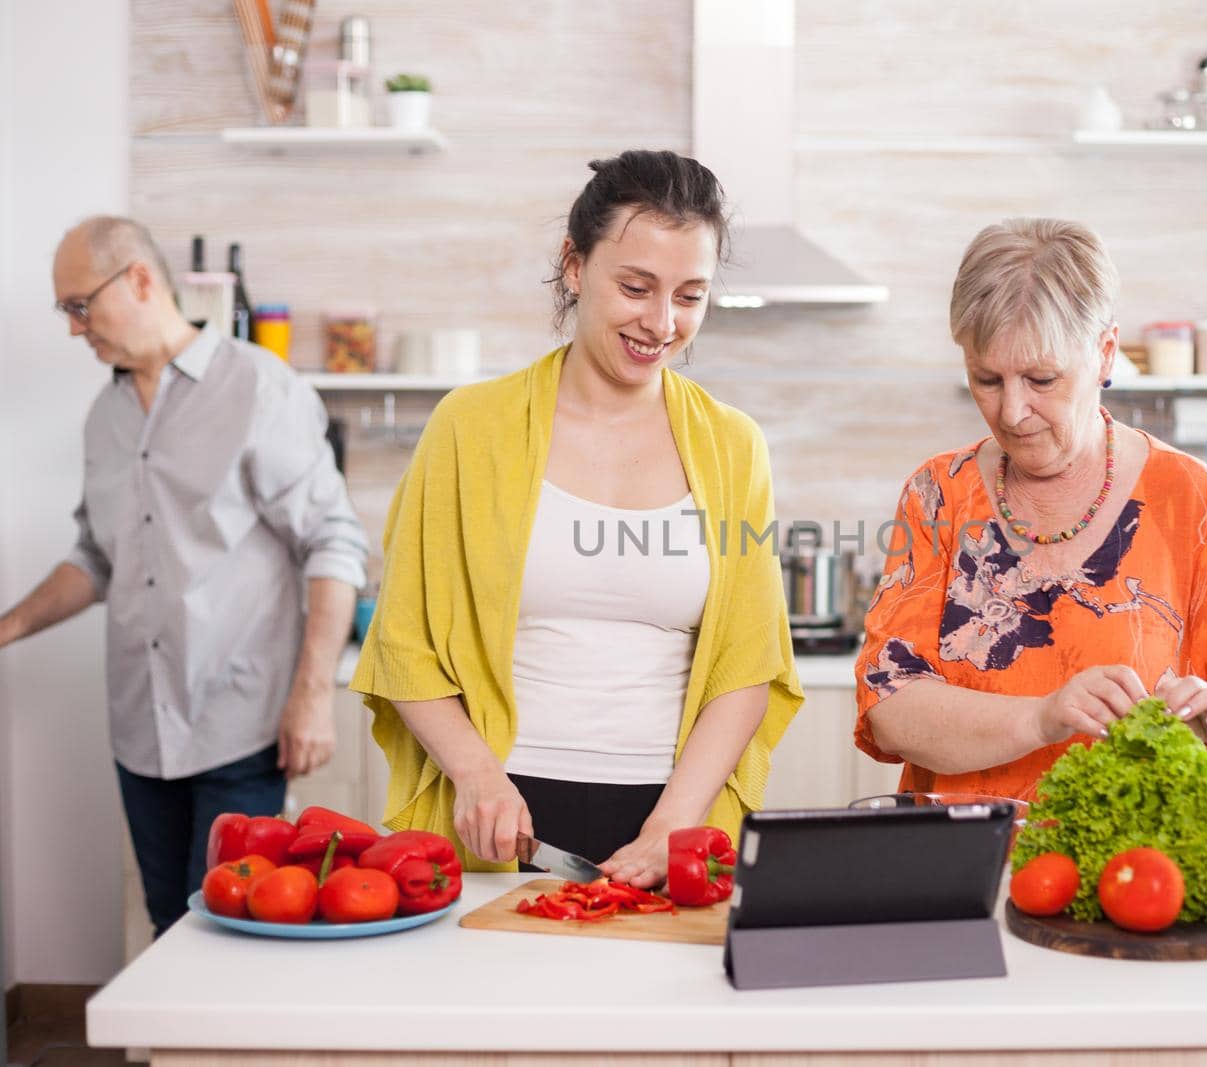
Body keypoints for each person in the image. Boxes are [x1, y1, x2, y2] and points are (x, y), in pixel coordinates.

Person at [352, 150, 803, 885]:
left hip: (670, 821)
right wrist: (475, 774)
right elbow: (403, 644)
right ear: (573, 265)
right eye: (636, 286)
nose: (661, 323)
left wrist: (673, 823)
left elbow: (748, 666)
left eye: (690, 296)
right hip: (502, 820)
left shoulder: (733, 447)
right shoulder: (469, 429)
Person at [854, 218, 1207, 803]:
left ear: (1105, 353)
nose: (1014, 411)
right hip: (964, 869)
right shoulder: (937, 494)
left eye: (1041, 378)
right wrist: (1041, 719)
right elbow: (890, 707)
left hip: (1136, 878)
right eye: (987, 379)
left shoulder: (1191, 498)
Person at [0, 216, 368, 936]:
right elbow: (97, 557)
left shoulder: (259, 386)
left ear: (140, 279)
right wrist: (7, 626)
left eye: (80, 306)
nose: (76, 330)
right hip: (139, 730)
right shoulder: (104, 416)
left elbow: (332, 543)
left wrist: (313, 694)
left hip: (240, 728)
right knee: (171, 923)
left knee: (239, 934)